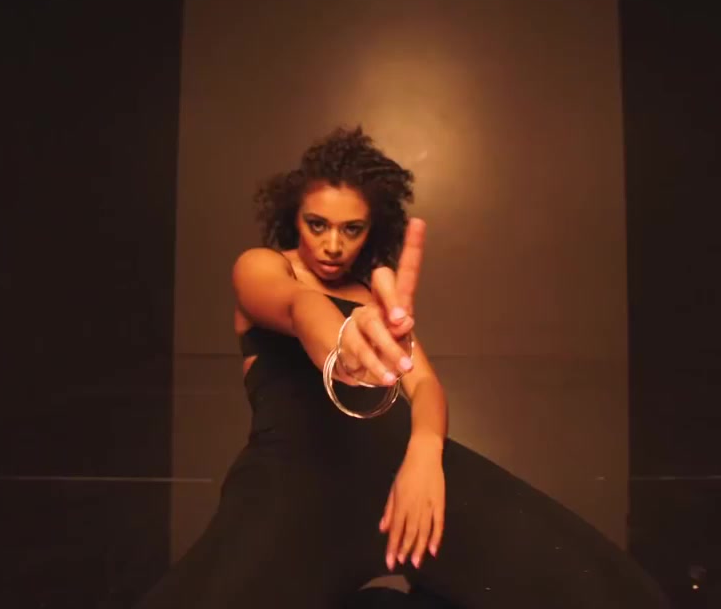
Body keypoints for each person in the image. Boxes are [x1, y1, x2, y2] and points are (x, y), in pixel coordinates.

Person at [134, 127, 668, 608]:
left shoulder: (375, 300)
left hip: (403, 481)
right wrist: (344, 341)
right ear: (293, 218)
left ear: (373, 230)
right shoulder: (263, 267)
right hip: (292, 484)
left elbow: (426, 383)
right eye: (317, 224)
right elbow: (300, 308)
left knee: (608, 589)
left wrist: (424, 456)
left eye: (352, 229)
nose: (332, 244)